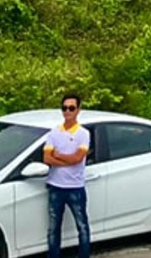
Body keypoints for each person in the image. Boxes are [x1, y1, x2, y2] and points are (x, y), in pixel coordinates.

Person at [43, 94, 91, 258]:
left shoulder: (83, 133)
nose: (67, 111)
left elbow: (78, 159)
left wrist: (58, 155)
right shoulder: (54, 132)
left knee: (82, 226)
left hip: (75, 187)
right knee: (53, 228)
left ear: (78, 110)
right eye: (64, 108)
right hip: (55, 186)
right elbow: (47, 158)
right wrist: (67, 160)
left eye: (71, 108)